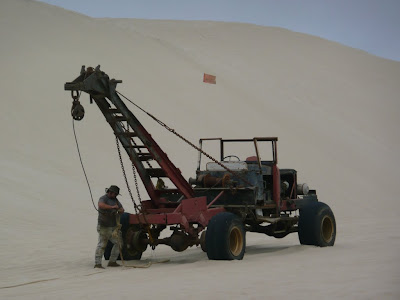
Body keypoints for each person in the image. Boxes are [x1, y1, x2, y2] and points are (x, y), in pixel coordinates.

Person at [94, 185, 125, 269]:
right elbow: (101, 205)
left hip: (113, 227)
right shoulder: (103, 198)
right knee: (102, 244)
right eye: (114, 194)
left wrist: (120, 210)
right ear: (110, 192)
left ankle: (112, 261)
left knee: (119, 243)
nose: (115, 196)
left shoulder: (115, 200)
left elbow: (122, 209)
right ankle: (97, 263)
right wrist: (112, 207)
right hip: (104, 226)